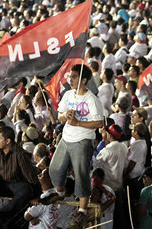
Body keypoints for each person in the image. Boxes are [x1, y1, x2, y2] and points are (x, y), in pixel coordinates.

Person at [48, 64, 103, 227]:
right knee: (55, 168)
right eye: (70, 76)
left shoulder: (92, 99)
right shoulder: (68, 95)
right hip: (66, 137)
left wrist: (78, 122)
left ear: (84, 80)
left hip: (83, 140)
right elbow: (60, 116)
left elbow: (99, 122)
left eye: (73, 77)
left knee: (81, 174)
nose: (69, 79)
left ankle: (82, 211)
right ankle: (60, 192)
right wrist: (65, 116)